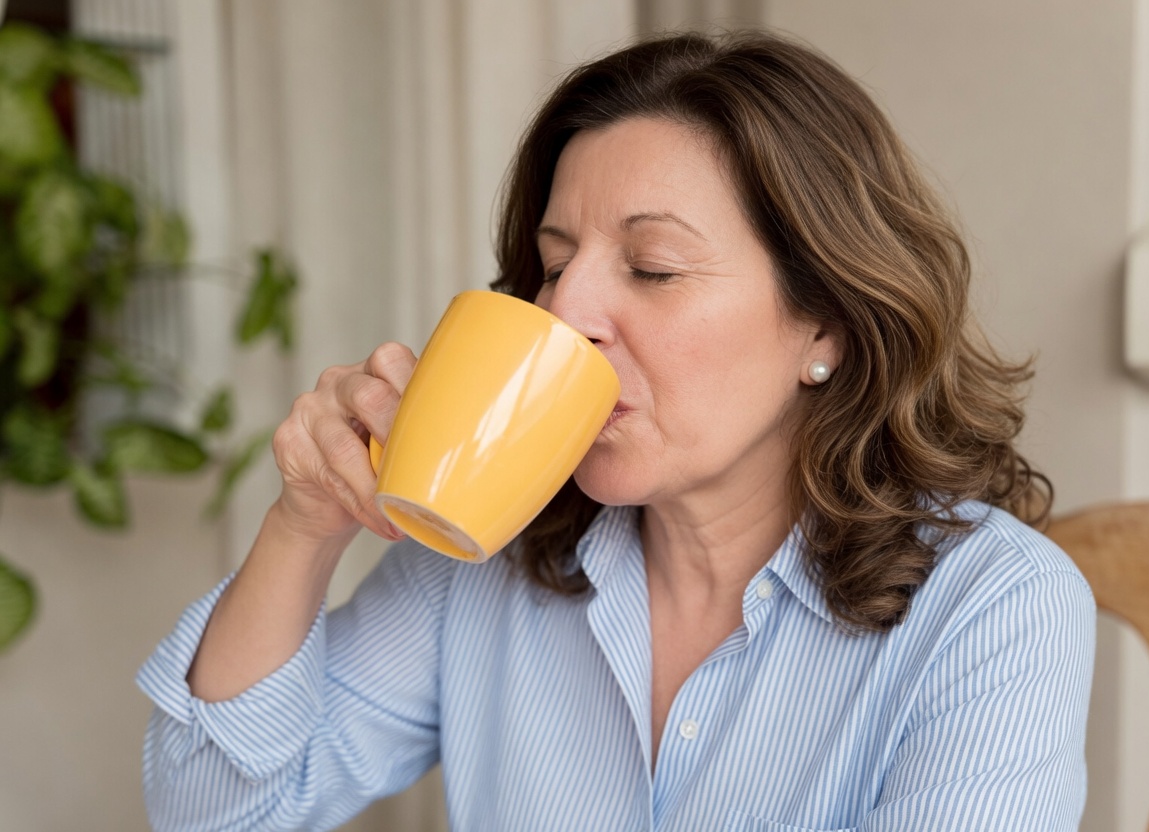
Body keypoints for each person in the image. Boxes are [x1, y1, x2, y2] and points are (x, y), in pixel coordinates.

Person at [138, 30, 1094, 831]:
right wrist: (304, 525)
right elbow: (214, 813)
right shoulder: (485, 552)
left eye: (653, 268)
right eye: (555, 265)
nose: (570, 311)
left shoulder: (995, 608)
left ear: (825, 325)